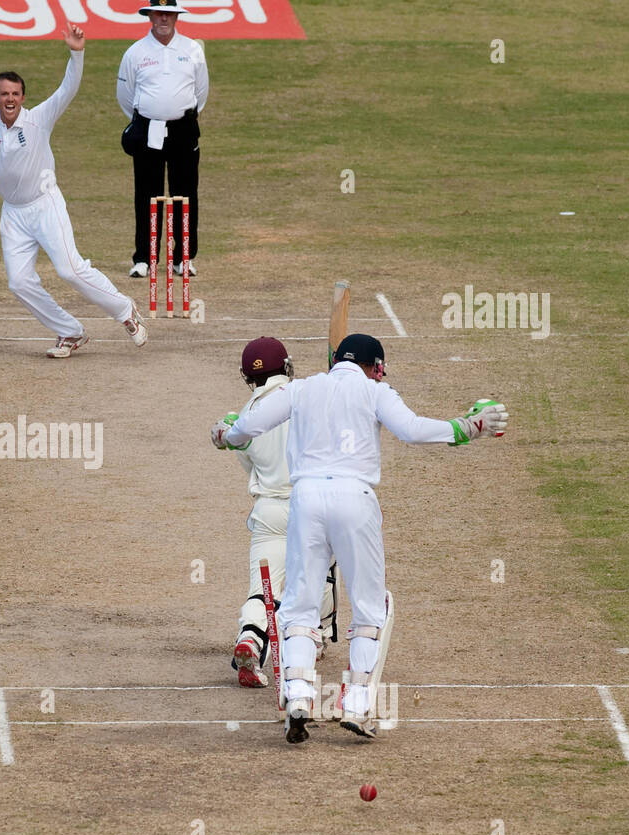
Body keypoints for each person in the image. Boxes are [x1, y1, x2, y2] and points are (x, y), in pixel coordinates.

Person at [211, 334, 508, 743]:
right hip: (355, 498)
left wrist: (226, 435)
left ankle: (298, 696)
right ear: (375, 366)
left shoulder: (302, 388)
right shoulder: (375, 391)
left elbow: (249, 425)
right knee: (370, 607)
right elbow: (413, 430)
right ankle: (355, 705)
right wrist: (467, 427)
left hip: (307, 499)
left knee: (299, 604)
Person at [0, 20, 148, 359]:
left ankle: (125, 311)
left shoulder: (38, 119)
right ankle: (70, 331)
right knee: (19, 282)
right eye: (4, 94)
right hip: (13, 212)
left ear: (23, 97)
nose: (10, 99)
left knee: (70, 269)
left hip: (45, 203)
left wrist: (76, 53)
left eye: (15, 94)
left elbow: (67, 89)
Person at [219, 338, 336, 690]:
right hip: (311, 506)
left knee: (264, 591)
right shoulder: (308, 396)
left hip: (269, 510)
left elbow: (247, 460)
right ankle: (315, 636)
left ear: (247, 376)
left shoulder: (245, 417)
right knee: (316, 575)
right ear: (286, 366)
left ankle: (251, 641)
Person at [118, 1, 208, 278]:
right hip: (148, 130)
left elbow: (201, 92)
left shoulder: (193, 50)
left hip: (183, 129)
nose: (164, 19)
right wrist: (150, 116)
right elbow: (126, 97)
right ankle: (144, 258)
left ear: (176, 16)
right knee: (148, 195)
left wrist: (179, 116)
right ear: (150, 16)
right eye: (159, 13)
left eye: (169, 14)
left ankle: (183, 259)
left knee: (185, 194)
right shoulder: (135, 53)